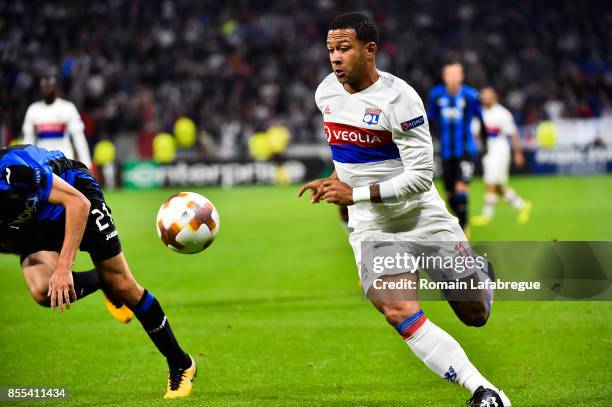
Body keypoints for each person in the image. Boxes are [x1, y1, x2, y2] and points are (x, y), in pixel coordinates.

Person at [298, 13, 511, 406]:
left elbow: (420, 178)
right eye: (330, 50)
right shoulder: (325, 93)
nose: (335, 58)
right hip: (373, 229)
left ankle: (483, 275)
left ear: (369, 50)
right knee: (397, 310)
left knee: (475, 314)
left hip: (421, 218)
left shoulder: (401, 99)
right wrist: (334, 177)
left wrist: (355, 194)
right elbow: (352, 158)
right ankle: (483, 390)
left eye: (344, 49)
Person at [0, 144, 196, 399]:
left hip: (75, 191)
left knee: (123, 285)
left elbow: (76, 203)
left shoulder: (11, 172)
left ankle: (181, 363)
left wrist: (63, 268)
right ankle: (103, 281)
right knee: (42, 290)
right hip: (36, 218)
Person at [427, 62, 485, 234]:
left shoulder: (470, 95)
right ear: (444, 77)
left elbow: (481, 120)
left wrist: (485, 145)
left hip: (466, 150)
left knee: (461, 188)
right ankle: (460, 221)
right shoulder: (436, 95)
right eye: (449, 74)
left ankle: (464, 229)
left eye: (456, 74)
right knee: (449, 194)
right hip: (446, 152)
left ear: (461, 76)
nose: (452, 77)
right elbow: (430, 119)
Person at [472, 87, 532, 226]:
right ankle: (522, 205)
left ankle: (486, 216)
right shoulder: (478, 113)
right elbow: (475, 133)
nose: (486, 98)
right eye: (484, 96)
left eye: (488, 95)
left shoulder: (502, 113)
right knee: (498, 186)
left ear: (495, 97)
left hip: (500, 151)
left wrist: (518, 153)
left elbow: (513, 134)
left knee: (490, 184)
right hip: (487, 151)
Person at [22, 75, 92, 168]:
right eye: (44, 87)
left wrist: (86, 163)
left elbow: (79, 137)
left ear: (56, 88)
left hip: (64, 160)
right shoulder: (33, 110)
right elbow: (28, 140)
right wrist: (25, 164)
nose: (47, 90)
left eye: (50, 86)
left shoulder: (67, 108)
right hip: (42, 161)